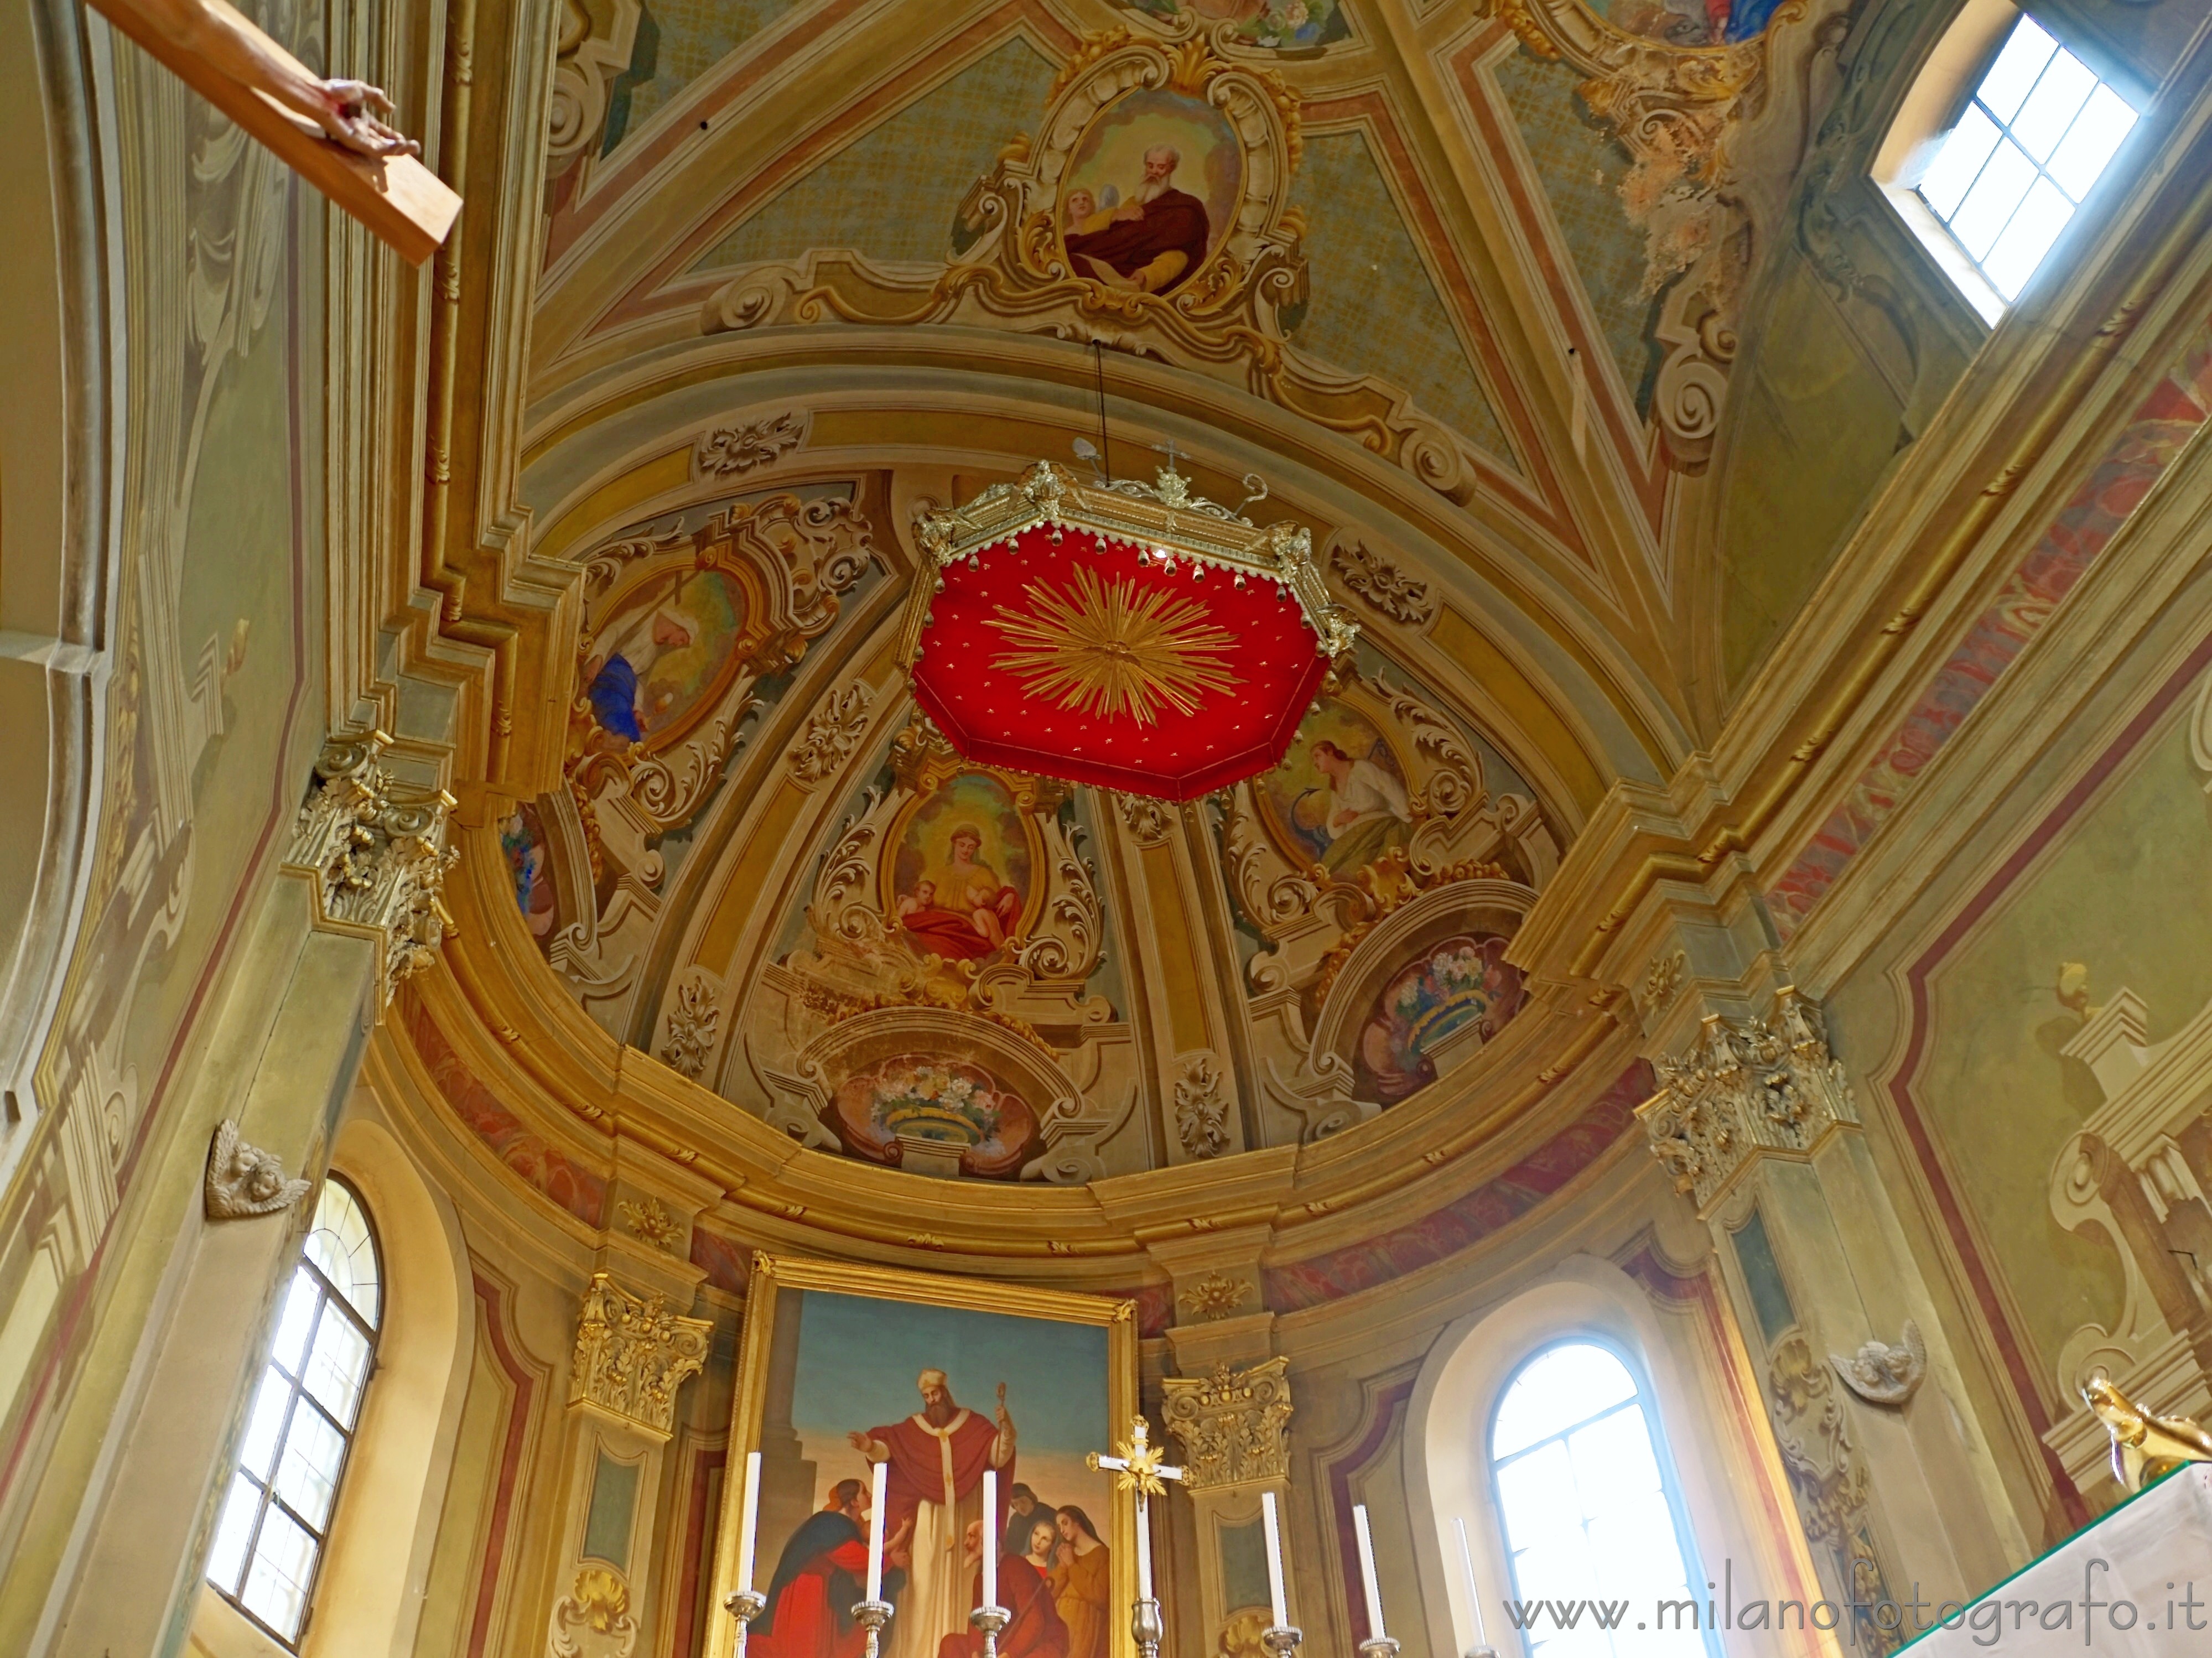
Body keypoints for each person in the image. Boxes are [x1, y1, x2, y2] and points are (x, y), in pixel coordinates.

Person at [851, 1372, 1017, 1658]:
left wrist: (1007, 1430)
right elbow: (888, 1451)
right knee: (923, 1587)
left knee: (964, 1589)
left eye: (936, 1395)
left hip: (966, 1516)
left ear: (945, 1392)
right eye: (927, 1397)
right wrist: (870, 1447)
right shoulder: (913, 1429)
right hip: (927, 1523)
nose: (932, 1401)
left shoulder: (974, 1425)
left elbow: (998, 1457)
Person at [754, 1479, 913, 1658]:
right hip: (807, 1590)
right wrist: (891, 1561)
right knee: (806, 1647)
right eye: (865, 1492)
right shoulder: (831, 1523)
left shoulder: (846, 1525)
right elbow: (855, 1558)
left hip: (823, 1590)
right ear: (853, 1501)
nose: (869, 1496)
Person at [1065, 145, 1211, 295]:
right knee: (1071, 261)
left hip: (1134, 274)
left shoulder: (1184, 208)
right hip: (1110, 263)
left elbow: (1179, 254)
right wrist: (1116, 215)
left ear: (1171, 168)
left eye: (1161, 167)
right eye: (1150, 166)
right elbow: (1091, 231)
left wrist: (1148, 274)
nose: (1154, 172)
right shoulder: (1133, 202)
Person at [935, 1518, 1068, 1658]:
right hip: (1002, 1642)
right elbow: (977, 1621)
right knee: (950, 1644)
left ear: (992, 1544)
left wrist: (1008, 1655)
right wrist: (976, 1653)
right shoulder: (980, 1579)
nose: (966, 1543)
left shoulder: (1016, 1567)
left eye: (972, 1537)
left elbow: (1035, 1621)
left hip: (1041, 1641)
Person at [1307, 739, 1412, 876]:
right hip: (1355, 838)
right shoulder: (1335, 789)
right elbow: (1334, 822)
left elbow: (1387, 786)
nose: (1315, 763)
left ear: (1330, 752)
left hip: (1380, 826)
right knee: (1331, 866)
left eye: (1318, 756)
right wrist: (1338, 820)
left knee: (1358, 868)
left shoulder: (1360, 768)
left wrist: (1408, 815)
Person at [1046, 1507, 1111, 1658]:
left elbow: (1099, 1596)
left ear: (1078, 1522)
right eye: (1059, 1526)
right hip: (1059, 1626)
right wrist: (1063, 1566)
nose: (1062, 1530)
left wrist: (1072, 1566)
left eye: (1065, 1523)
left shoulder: (1102, 1555)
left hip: (1083, 1627)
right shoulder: (1067, 1554)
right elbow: (1048, 1594)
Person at [999, 1484, 1050, 1565]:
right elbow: (1009, 1545)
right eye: (1016, 1504)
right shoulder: (1015, 1519)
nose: (1020, 1507)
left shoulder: (1047, 1513)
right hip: (1020, 1564)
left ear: (1031, 1499)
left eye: (1023, 1502)